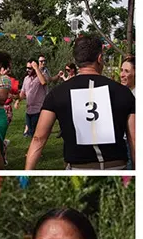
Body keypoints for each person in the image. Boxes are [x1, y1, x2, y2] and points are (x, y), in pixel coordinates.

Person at [25, 35, 135, 170]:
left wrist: (27, 173)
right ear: (100, 58)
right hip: (117, 167)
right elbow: (134, 139)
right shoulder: (123, 92)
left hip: (78, 169)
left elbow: (38, 138)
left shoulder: (57, 93)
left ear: (76, 61)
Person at [17, 58, 49, 137]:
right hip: (29, 111)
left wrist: (36, 68)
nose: (27, 70)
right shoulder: (26, 79)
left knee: (36, 134)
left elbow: (43, 82)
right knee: (31, 133)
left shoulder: (42, 75)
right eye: (27, 68)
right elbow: (23, 93)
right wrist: (17, 100)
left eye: (30, 68)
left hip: (39, 110)